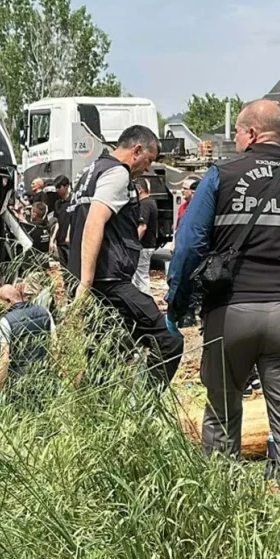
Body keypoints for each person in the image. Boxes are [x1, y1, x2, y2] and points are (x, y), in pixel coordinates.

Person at [166, 100, 280, 487]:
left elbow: (189, 245)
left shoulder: (220, 176)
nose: (237, 140)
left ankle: (223, 514)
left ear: (252, 133)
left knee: (222, 415)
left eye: (238, 133)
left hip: (231, 315)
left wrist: (177, 306)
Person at [71, 125, 181, 385]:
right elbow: (95, 221)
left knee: (106, 355)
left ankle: (102, 413)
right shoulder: (117, 173)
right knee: (169, 340)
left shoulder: (90, 172)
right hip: (110, 282)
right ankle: (143, 405)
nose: (148, 168)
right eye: (149, 160)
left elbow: (70, 232)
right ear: (137, 150)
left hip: (92, 280)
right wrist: (86, 283)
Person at [0, 283, 56, 403]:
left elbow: (4, 359)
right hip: (46, 377)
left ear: (8, 301)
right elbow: (55, 347)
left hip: (20, 384)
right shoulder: (45, 311)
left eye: (0, 304)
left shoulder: (6, 321)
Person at [133, 178, 158, 295]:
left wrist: (133, 243)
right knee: (139, 277)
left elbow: (142, 227)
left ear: (139, 189)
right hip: (148, 245)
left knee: (141, 278)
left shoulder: (144, 204)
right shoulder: (151, 202)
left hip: (144, 246)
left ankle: (146, 302)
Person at [50, 175, 73, 266]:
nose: (57, 190)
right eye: (56, 188)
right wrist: (52, 239)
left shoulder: (73, 201)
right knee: (63, 267)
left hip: (70, 240)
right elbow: (57, 222)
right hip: (60, 240)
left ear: (66, 186)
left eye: (59, 187)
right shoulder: (58, 203)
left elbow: (72, 220)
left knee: (71, 265)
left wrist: (68, 235)